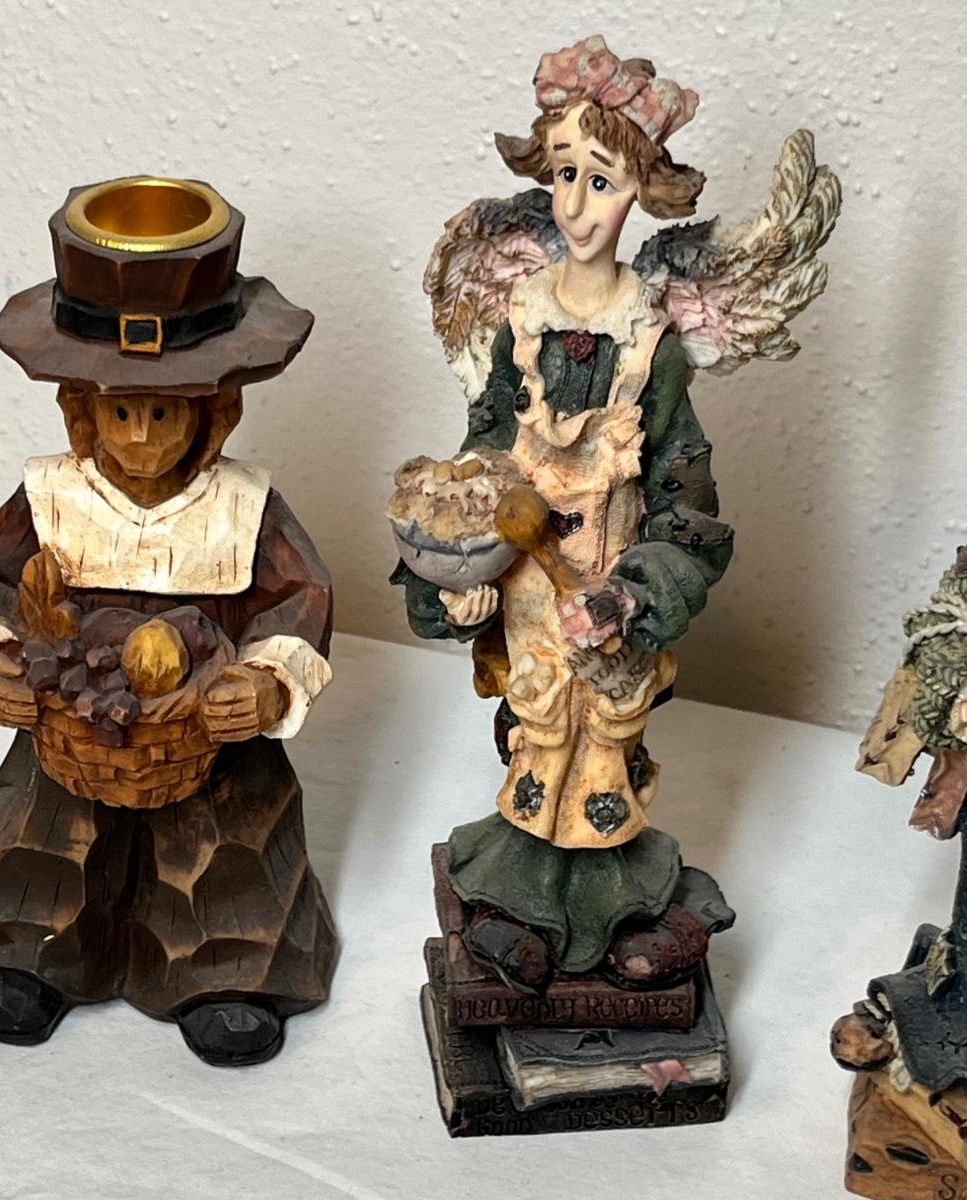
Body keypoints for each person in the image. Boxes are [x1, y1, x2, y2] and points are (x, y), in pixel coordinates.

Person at [0, 177, 335, 1065]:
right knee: (46, 833)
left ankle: (227, 969)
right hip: (70, 725)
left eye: (165, 412)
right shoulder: (51, 496)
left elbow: (298, 598)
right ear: (82, 408)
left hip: (205, 734)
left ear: (214, 410)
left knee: (223, 843)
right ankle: (30, 955)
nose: (143, 437)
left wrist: (266, 681)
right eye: (122, 412)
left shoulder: (243, 506)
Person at [394, 41, 734, 993]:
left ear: (642, 194)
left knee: (605, 749)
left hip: (608, 592)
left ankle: (628, 908)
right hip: (528, 595)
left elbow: (691, 511)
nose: (578, 207)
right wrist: (459, 570)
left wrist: (632, 596)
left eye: (603, 181)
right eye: (564, 177)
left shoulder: (653, 348)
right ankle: (521, 907)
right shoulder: (521, 321)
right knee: (539, 736)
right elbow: (480, 459)